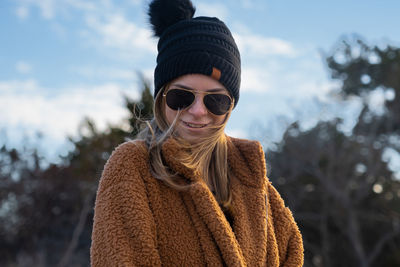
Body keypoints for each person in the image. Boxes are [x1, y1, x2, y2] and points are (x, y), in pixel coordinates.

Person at [90, 0, 304, 266]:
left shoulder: (252, 178)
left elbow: (291, 254)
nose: (198, 111)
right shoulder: (132, 167)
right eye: (182, 96)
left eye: (216, 100)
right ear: (161, 97)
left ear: (232, 105)